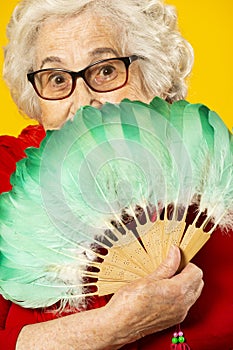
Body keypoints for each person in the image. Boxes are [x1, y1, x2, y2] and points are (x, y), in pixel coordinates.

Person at [0, 0, 232, 349]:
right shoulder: (6, 176)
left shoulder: (216, 174)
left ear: (156, 75)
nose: (82, 102)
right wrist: (115, 325)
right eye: (57, 78)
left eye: (105, 71)